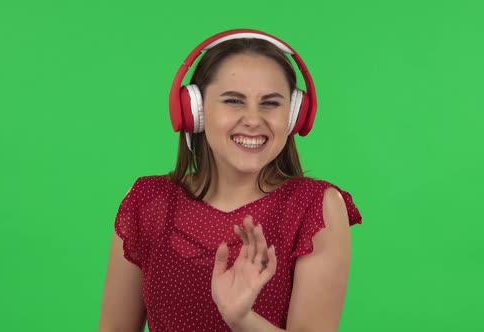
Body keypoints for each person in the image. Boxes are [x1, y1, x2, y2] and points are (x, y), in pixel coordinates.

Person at [99, 29, 363, 332]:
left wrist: (241, 318)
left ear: (293, 116)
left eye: (270, 103)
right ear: (195, 111)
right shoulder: (148, 202)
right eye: (234, 101)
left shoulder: (316, 207)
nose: (253, 119)